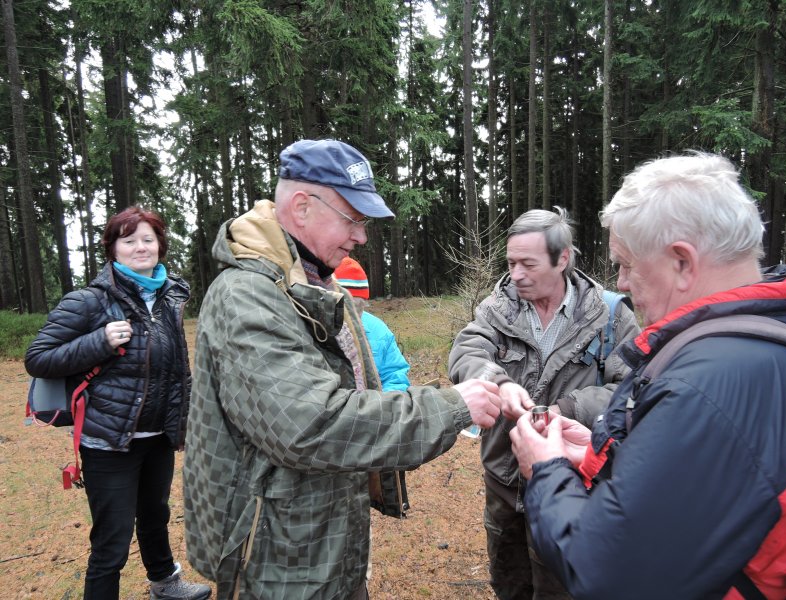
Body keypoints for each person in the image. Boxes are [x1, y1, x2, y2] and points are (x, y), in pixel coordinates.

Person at [182, 138, 502, 600]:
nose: (361, 237)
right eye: (352, 219)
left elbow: (359, 397)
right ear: (301, 207)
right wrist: (451, 406)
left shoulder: (317, 285)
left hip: (323, 537)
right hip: (276, 557)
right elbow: (311, 424)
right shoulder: (247, 297)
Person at [510, 152, 786, 599]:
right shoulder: (766, 343)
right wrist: (601, 454)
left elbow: (606, 573)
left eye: (626, 264)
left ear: (682, 262)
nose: (621, 283)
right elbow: (706, 492)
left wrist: (545, 469)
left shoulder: (706, 385)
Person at [448, 207, 640, 600]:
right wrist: (498, 383)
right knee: (509, 580)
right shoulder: (496, 308)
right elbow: (466, 353)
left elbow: (632, 389)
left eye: (528, 263)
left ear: (563, 259)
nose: (516, 273)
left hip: (574, 483)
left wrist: (568, 409)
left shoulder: (610, 316)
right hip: (503, 480)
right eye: (511, 262)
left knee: (560, 585)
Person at [25, 207, 211, 600]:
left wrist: (185, 422)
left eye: (148, 239)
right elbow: (38, 357)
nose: (140, 247)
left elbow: (177, 369)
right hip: (109, 441)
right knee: (112, 538)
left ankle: (165, 583)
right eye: (129, 240)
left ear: (160, 244)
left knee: (156, 516)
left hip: (158, 435)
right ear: (113, 249)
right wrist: (100, 341)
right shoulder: (89, 301)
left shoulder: (168, 297)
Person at [334, 256, 411, 392]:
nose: (352, 317)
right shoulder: (313, 328)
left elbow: (395, 375)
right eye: (346, 308)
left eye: (359, 307)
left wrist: (386, 404)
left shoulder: (378, 330)